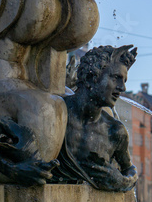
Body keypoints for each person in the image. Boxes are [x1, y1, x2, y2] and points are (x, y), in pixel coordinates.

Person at [53, 45, 138, 191]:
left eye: (124, 81)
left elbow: (130, 171)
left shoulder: (115, 131)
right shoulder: (54, 113)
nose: (122, 88)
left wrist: (121, 181)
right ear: (90, 77)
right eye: (116, 78)